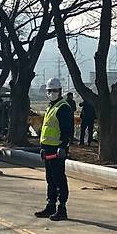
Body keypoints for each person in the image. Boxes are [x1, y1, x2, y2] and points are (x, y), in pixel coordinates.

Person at [35, 78, 73, 221]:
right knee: (50, 179)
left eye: (54, 91)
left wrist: (63, 147)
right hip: (48, 148)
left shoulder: (63, 107)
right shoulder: (51, 107)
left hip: (57, 149)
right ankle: (50, 205)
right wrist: (43, 147)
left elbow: (66, 130)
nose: (51, 93)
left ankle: (62, 207)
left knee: (59, 178)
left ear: (60, 91)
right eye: (49, 91)